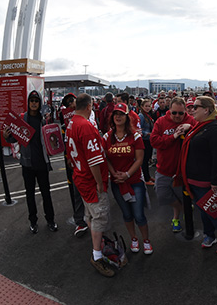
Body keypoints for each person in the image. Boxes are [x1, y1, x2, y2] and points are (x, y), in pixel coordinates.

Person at [177, 96, 217, 255]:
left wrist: (215, 181)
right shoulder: (201, 126)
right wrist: (189, 126)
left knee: (213, 212)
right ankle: (210, 235)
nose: (191, 110)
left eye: (195, 107)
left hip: (206, 180)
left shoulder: (216, 129)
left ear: (206, 110)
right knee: (203, 210)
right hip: (194, 177)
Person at [65, 93, 114, 277]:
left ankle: (97, 243)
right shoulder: (85, 126)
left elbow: (70, 152)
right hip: (89, 179)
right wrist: (100, 183)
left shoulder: (71, 123)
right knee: (100, 217)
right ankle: (97, 254)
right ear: (89, 106)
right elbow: (94, 160)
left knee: (90, 214)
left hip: (80, 176)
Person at [3, 90, 57, 234]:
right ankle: (33, 221)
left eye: (36, 101)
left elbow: (52, 139)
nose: (33, 103)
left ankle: (50, 220)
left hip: (42, 163)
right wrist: (7, 136)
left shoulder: (44, 120)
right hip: (27, 164)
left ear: (39, 103)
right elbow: (14, 138)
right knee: (30, 195)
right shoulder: (22, 118)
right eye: (31, 101)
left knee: (46, 194)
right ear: (28, 103)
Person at [103, 103, 153, 255]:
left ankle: (146, 240)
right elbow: (106, 159)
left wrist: (127, 175)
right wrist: (115, 174)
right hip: (117, 182)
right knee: (126, 214)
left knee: (138, 215)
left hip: (134, 181)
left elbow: (139, 160)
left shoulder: (135, 136)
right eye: (115, 114)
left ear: (127, 117)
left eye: (121, 114)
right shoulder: (107, 136)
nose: (118, 116)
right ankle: (133, 238)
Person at [150, 97, 195, 233]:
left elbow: (200, 138)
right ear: (169, 111)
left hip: (183, 170)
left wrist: (191, 128)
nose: (177, 116)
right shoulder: (161, 121)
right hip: (164, 168)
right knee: (162, 195)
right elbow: (154, 141)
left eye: (181, 113)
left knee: (182, 196)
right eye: (174, 113)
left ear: (185, 111)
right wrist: (173, 137)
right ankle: (184, 208)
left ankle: (176, 219)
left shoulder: (190, 120)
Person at [59, 93, 89, 237]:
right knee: (77, 190)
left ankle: (92, 218)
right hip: (75, 159)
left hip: (88, 158)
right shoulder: (65, 118)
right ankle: (80, 221)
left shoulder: (89, 114)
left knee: (92, 191)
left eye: (72, 101)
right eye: (67, 103)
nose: (71, 104)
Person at [138, 99, 155, 186]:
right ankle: (145, 178)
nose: (148, 108)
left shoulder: (148, 115)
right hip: (144, 140)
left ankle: (148, 176)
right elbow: (139, 129)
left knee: (147, 158)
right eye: (146, 106)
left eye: (149, 106)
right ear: (142, 107)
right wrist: (147, 133)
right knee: (144, 160)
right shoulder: (141, 116)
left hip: (149, 140)